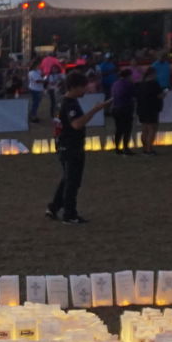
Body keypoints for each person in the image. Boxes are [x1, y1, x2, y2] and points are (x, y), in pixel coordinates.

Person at [46, 70, 107, 224]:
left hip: (62, 144)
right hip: (71, 146)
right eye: (83, 87)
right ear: (74, 87)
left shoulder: (60, 101)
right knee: (73, 181)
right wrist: (96, 109)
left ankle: (54, 207)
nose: (86, 90)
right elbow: (77, 124)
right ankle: (69, 214)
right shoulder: (70, 103)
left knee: (67, 179)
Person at [133, 66, 165, 155]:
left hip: (141, 109)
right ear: (153, 74)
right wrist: (164, 94)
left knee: (144, 129)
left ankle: (144, 148)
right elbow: (159, 95)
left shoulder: (140, 84)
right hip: (152, 108)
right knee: (152, 129)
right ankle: (149, 149)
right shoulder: (154, 84)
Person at [108, 66, 136, 154]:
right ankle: (126, 147)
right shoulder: (128, 84)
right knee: (127, 129)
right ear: (128, 76)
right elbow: (133, 95)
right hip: (125, 108)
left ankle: (117, 148)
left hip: (115, 108)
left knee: (119, 129)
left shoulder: (115, 83)